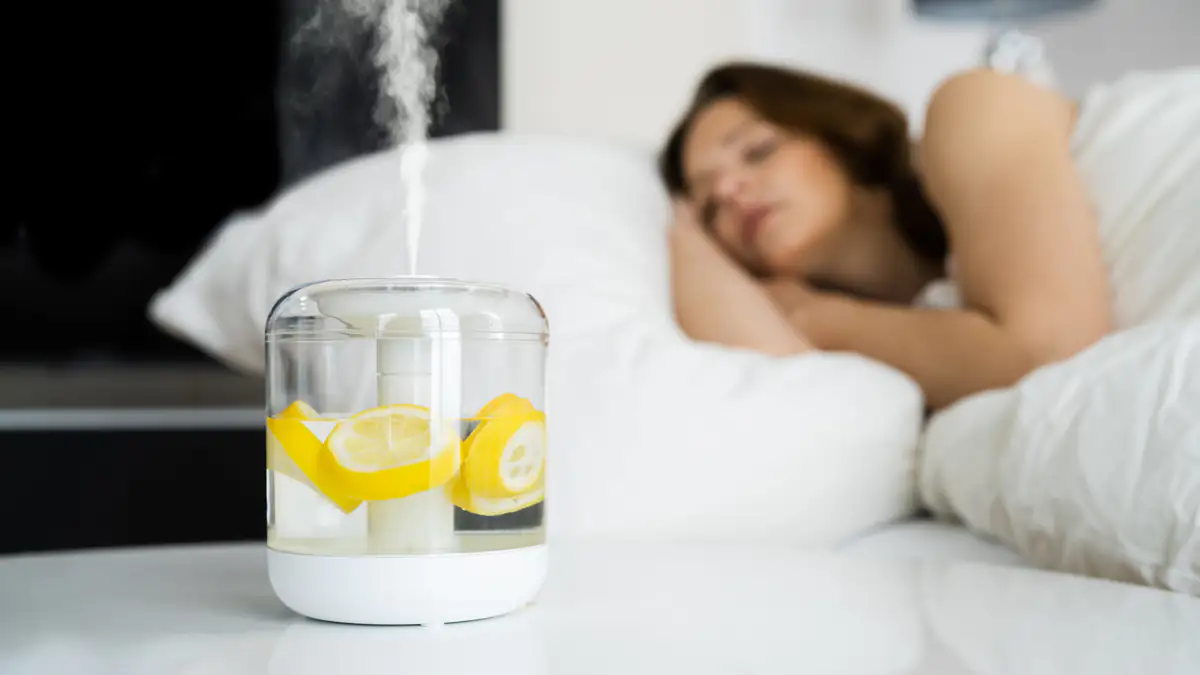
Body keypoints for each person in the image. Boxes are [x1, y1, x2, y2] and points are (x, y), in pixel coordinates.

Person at [660, 62, 1199, 411]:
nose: (728, 190)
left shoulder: (972, 109)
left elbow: (1054, 359)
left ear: (838, 135)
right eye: (708, 206)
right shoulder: (902, 340)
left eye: (757, 151)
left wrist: (808, 314)